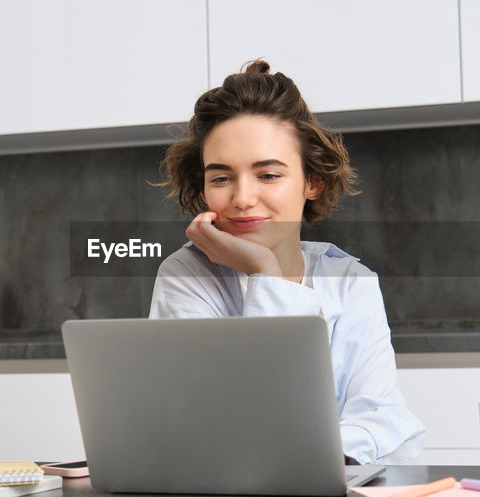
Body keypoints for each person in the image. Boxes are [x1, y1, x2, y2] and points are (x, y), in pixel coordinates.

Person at [148, 60, 426, 464]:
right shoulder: (186, 276)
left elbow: (380, 417)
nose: (242, 198)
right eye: (221, 178)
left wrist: (310, 459)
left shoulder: (351, 281)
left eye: (269, 175)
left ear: (312, 181)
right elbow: (225, 423)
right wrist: (265, 271)